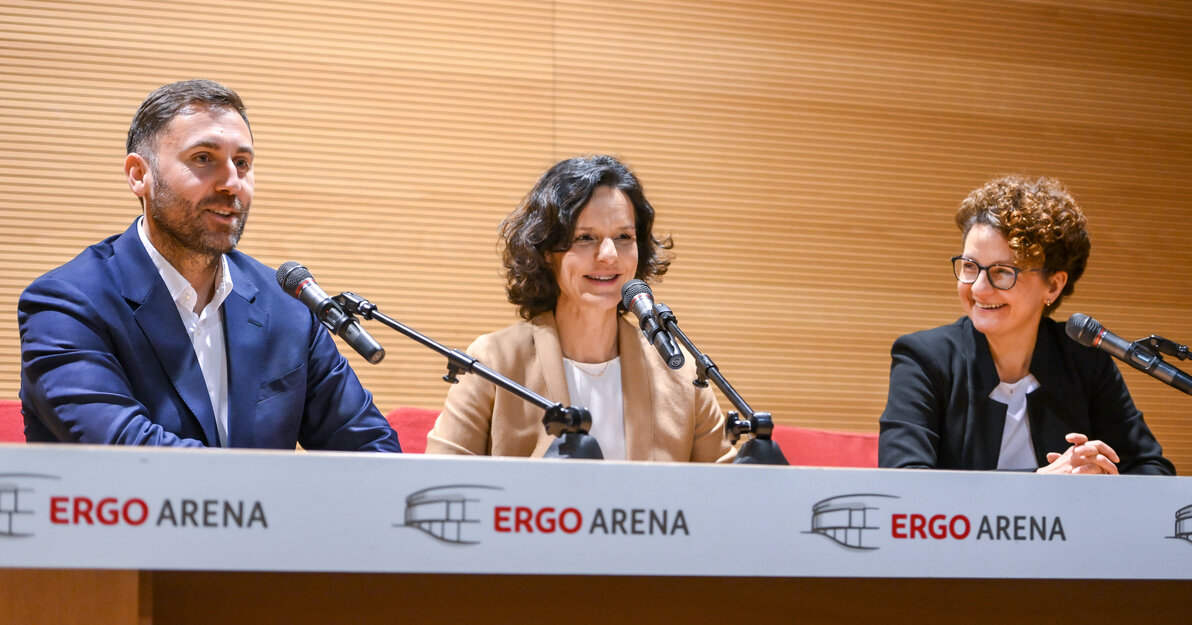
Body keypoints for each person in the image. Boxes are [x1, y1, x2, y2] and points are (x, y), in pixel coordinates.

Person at [18, 79, 400, 451]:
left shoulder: (288, 307)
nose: (232, 183)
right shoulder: (67, 303)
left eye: (242, 163)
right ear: (139, 175)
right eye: (204, 159)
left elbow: (370, 448)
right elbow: (126, 451)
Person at [426, 155, 734, 461]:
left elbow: (729, 490)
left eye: (624, 237)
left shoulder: (679, 371)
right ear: (547, 251)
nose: (609, 255)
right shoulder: (494, 360)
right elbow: (438, 481)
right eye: (585, 238)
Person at [878, 175, 1172, 474]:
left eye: (1003, 272)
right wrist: (1039, 488)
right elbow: (904, 482)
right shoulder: (924, 358)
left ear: (1053, 286)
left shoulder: (1084, 358)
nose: (978, 288)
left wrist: (1102, 474)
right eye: (969, 266)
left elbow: (1153, 471)